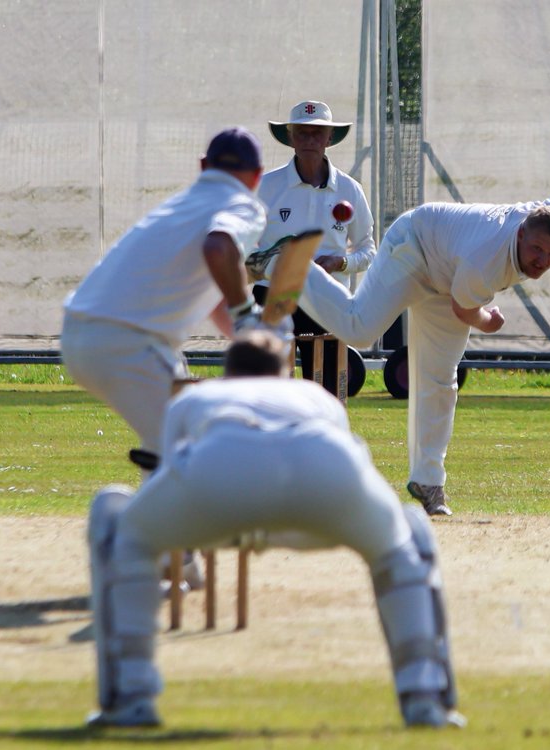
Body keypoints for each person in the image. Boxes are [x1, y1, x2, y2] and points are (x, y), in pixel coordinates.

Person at [286, 137, 550, 516]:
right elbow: (467, 311)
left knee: (440, 380)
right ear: (521, 233)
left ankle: (427, 483)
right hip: (415, 246)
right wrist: (490, 322)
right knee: (359, 328)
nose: (541, 260)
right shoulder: (486, 261)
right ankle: (292, 267)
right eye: (535, 249)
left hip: (450, 273)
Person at [85, 330, 465, 730]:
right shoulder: (314, 395)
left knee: (117, 524)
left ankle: (130, 696)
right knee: (406, 539)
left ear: (228, 374)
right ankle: (425, 698)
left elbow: (165, 469)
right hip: (323, 468)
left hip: (220, 474)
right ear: (281, 374)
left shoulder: (197, 397)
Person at [61, 126, 282, 459]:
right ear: (257, 176)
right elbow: (219, 248)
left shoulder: (181, 204)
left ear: (203, 165)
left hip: (81, 334)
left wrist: (251, 340)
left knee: (174, 450)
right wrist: (248, 317)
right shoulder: (244, 206)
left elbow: (215, 287)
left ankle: (138, 506)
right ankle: (125, 513)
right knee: (196, 453)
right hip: (128, 344)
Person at [249, 100, 376, 392]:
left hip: (328, 299)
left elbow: (367, 249)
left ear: (329, 139)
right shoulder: (266, 187)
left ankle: (322, 436)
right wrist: (274, 265)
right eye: (302, 133)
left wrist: (339, 263)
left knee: (327, 390)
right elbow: (243, 247)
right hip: (274, 295)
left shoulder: (349, 189)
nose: (310, 140)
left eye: (317, 133)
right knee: (269, 389)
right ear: (290, 137)